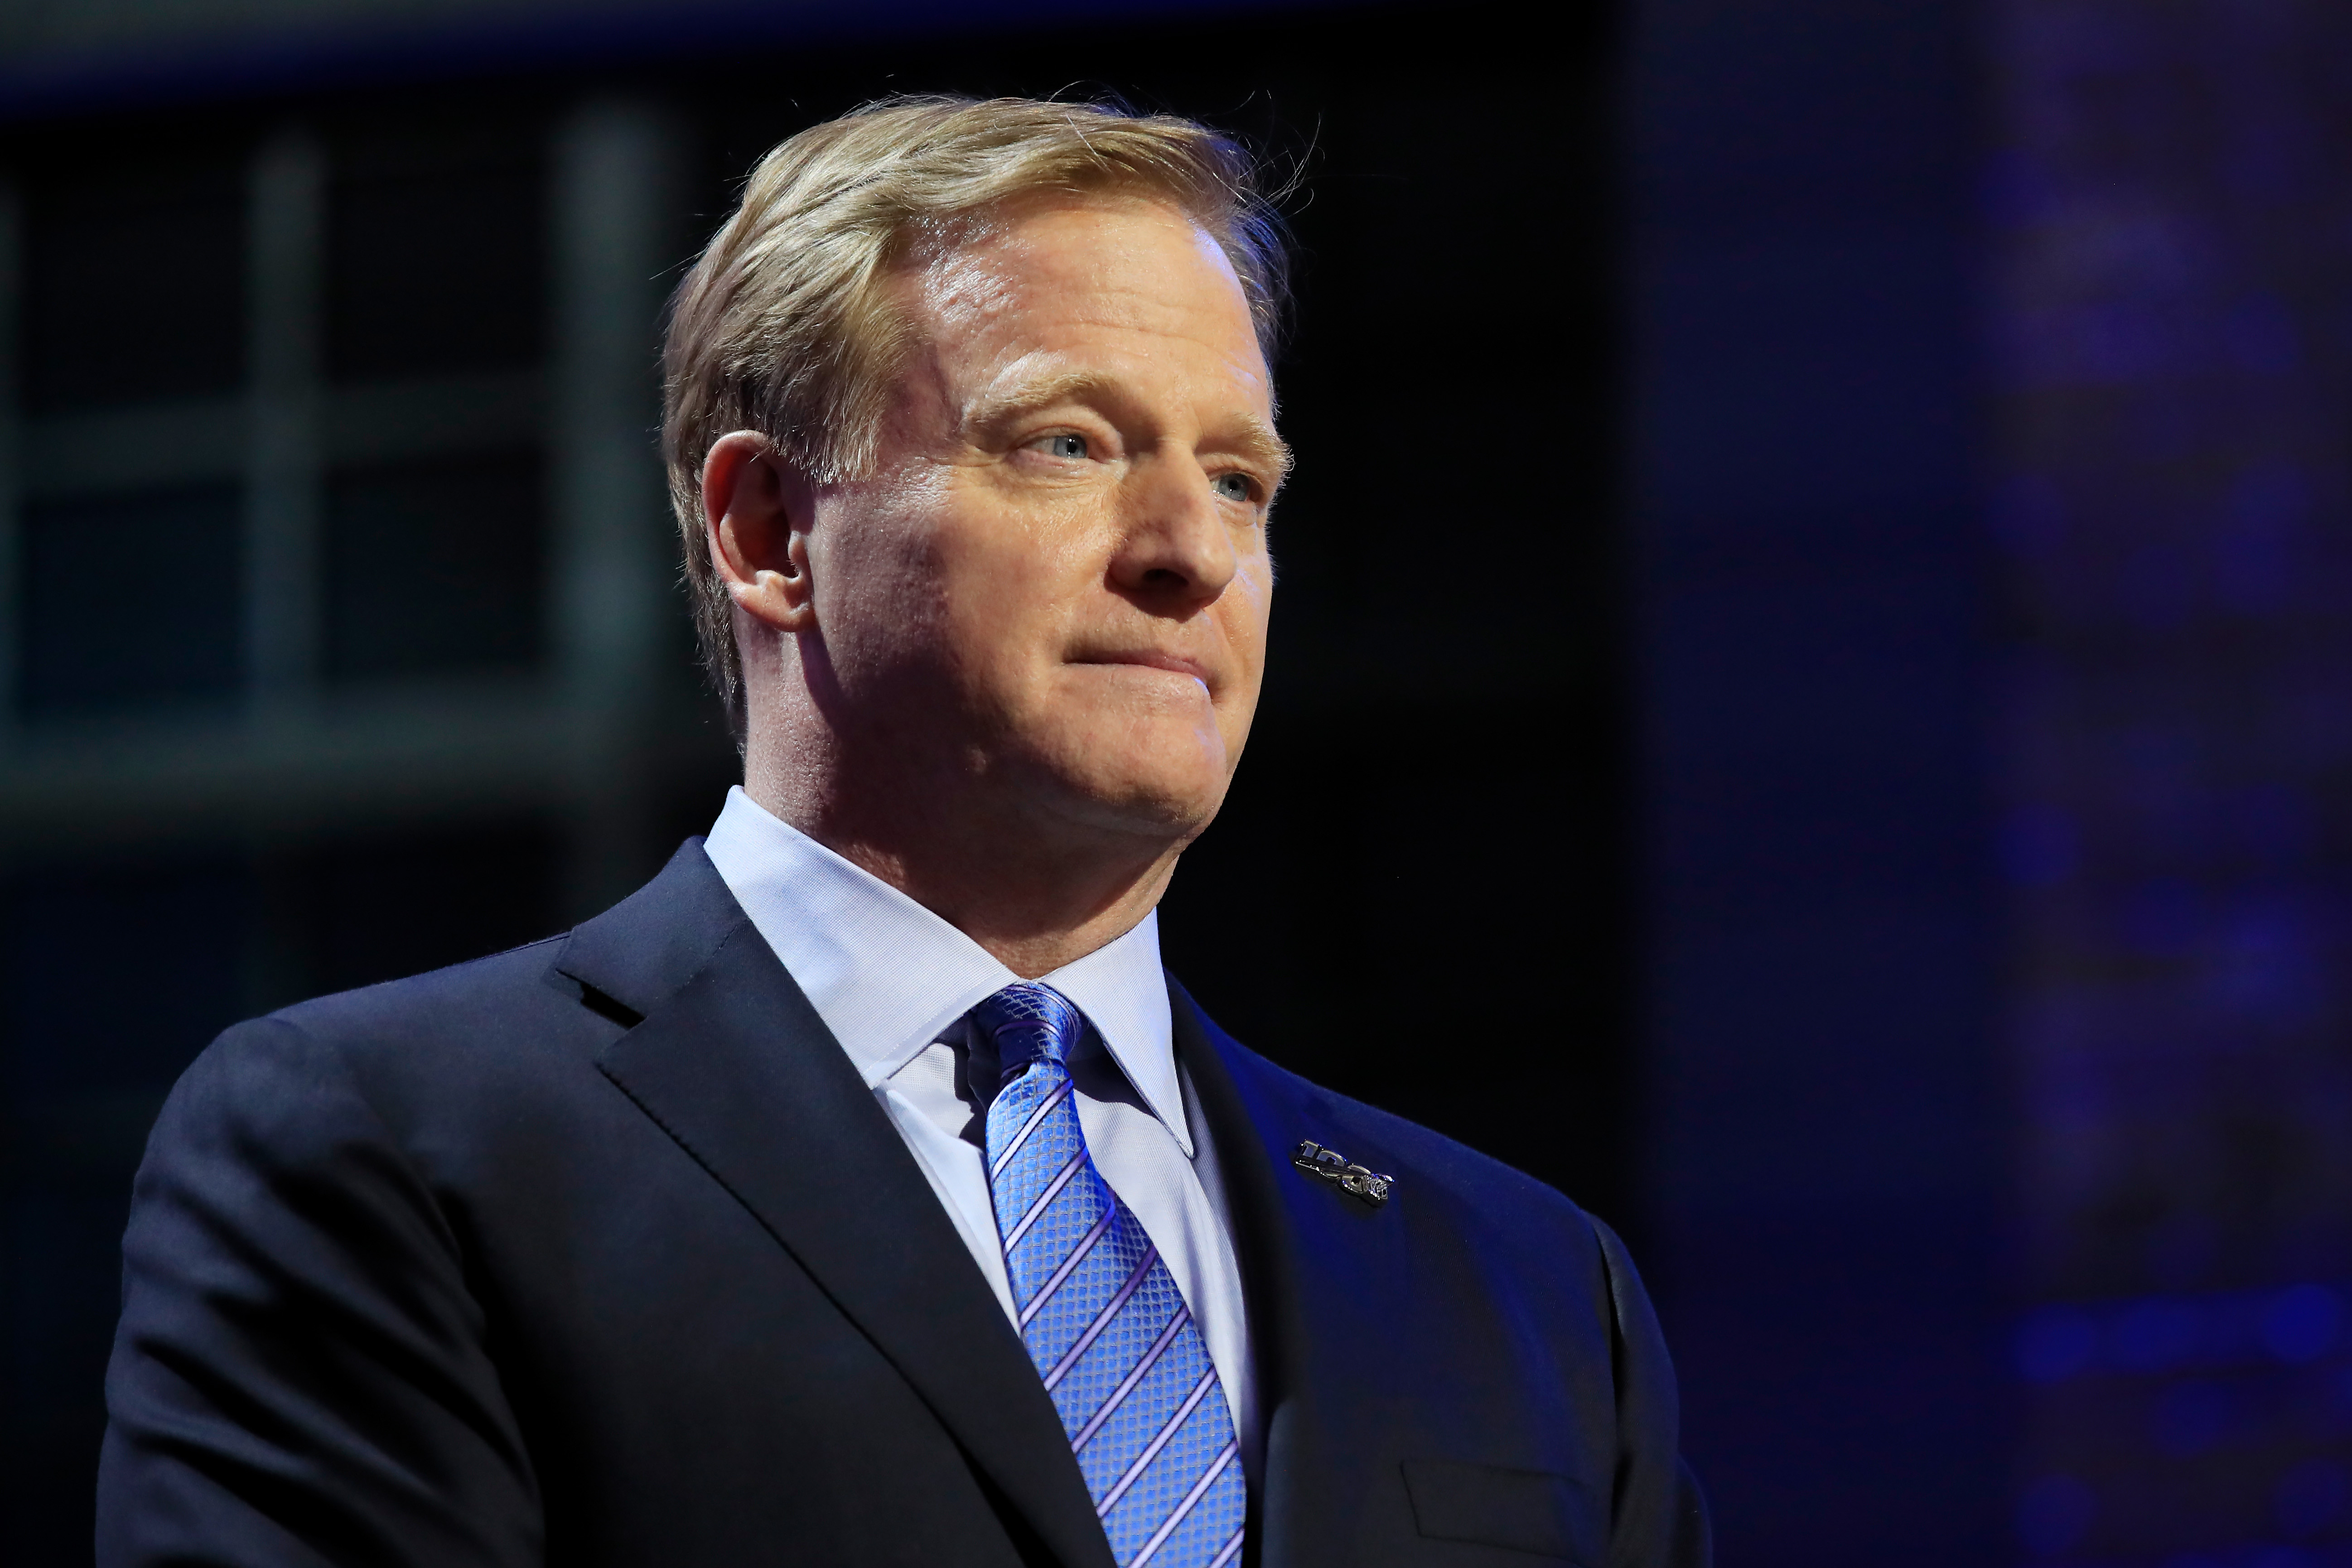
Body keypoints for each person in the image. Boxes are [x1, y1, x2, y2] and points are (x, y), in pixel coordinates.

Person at [96, 97, 1710, 1568]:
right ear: (769, 533)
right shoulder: (389, 1153)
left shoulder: (1532, 1285)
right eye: (1068, 444)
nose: (1188, 556)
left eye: (1238, 481)